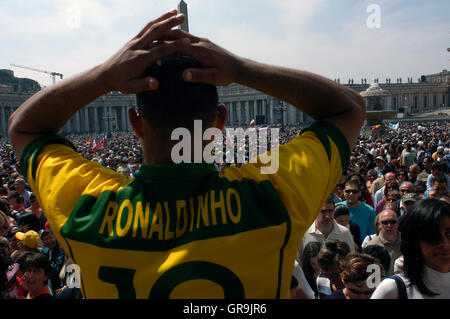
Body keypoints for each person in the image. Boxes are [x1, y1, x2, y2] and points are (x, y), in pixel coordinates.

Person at [7, 10, 365, 298]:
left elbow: (24, 127)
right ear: (220, 121)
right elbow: (347, 108)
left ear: (135, 122)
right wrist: (242, 69)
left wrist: (104, 76)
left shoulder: (87, 208)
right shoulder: (272, 196)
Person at [371, 199, 450, 299]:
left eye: (449, 234)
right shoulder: (393, 290)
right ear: (415, 240)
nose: (444, 244)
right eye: (433, 235)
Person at [297, 196, 355, 261]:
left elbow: (351, 260)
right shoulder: (304, 233)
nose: (327, 216)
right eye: (323, 211)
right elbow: (298, 262)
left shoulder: (345, 233)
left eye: (330, 211)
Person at [365, 209, 402, 276]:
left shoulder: (408, 241)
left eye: (393, 222)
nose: (389, 225)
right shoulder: (372, 246)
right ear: (379, 224)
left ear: (398, 223)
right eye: (385, 222)